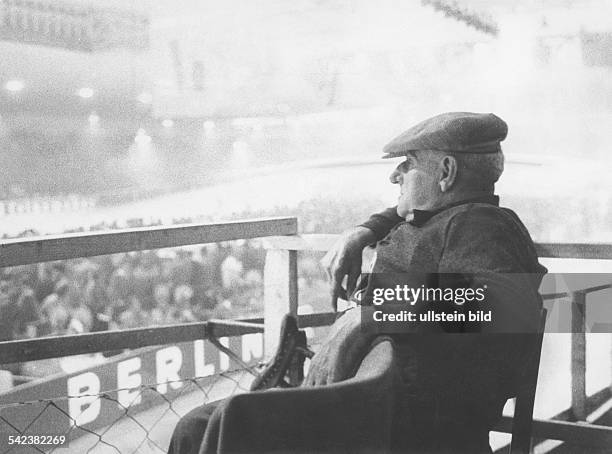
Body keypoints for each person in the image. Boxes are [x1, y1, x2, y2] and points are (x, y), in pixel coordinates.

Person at [168, 112, 547, 454]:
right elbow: (410, 214)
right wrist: (365, 230)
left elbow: (506, 305)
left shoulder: (480, 222)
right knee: (194, 428)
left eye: (408, 163)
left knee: (236, 421)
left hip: (413, 421)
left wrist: (370, 316)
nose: (394, 175)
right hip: (377, 403)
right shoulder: (440, 217)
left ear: (446, 172)